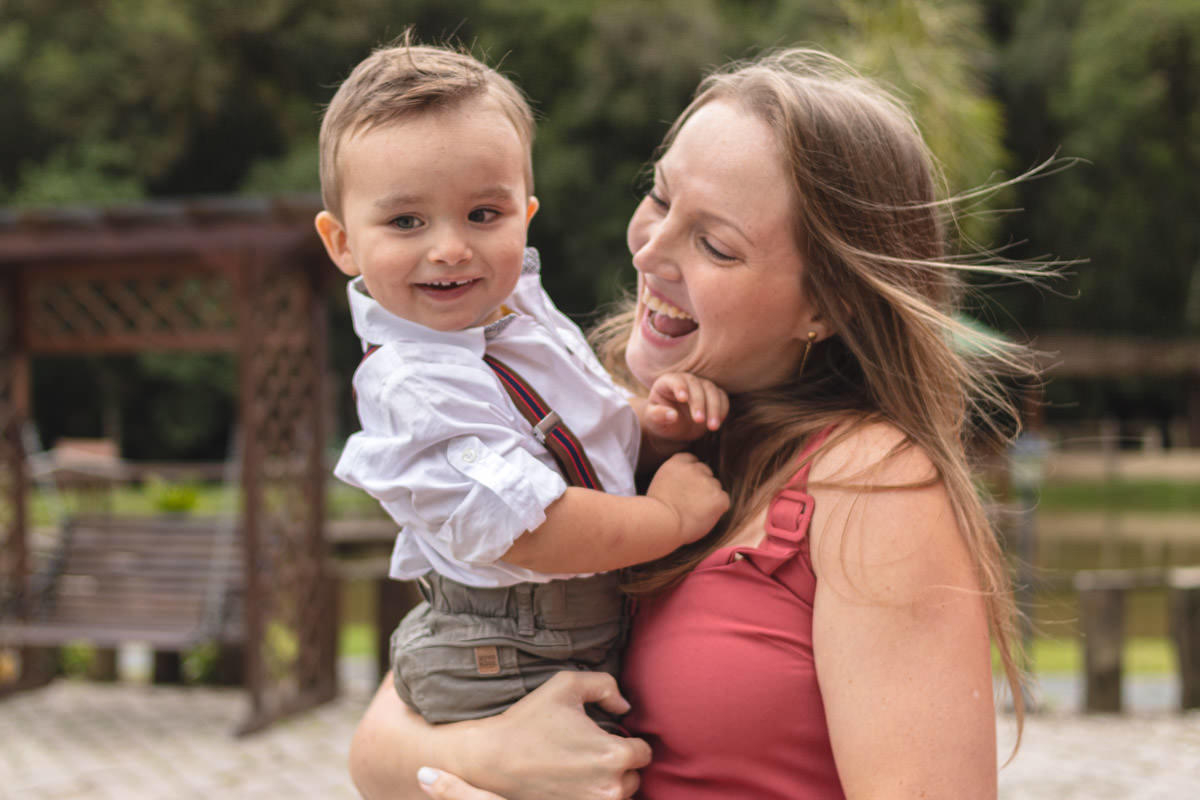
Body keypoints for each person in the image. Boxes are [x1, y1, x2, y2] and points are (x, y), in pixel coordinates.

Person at [348, 46, 1034, 800]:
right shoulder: (594, 422)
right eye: (661, 198)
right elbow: (381, 740)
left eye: (714, 243)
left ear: (827, 305)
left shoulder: (874, 483)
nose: (650, 248)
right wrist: (495, 755)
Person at [313, 39, 731, 728]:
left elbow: (577, 423)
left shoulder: (512, 309)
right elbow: (532, 529)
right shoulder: (414, 388)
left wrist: (649, 424)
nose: (449, 247)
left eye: (484, 215)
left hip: (562, 627)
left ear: (524, 215)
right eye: (406, 222)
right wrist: (671, 521)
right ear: (343, 244)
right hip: (505, 656)